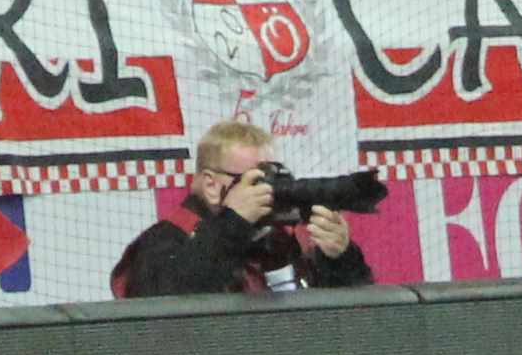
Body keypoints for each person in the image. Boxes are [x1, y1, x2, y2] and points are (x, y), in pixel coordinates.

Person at [110, 120, 380, 299]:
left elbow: (353, 319)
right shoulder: (164, 241)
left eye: (274, 177)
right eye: (256, 179)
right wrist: (233, 222)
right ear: (211, 185)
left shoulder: (280, 242)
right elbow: (160, 309)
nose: (270, 190)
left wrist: (340, 258)